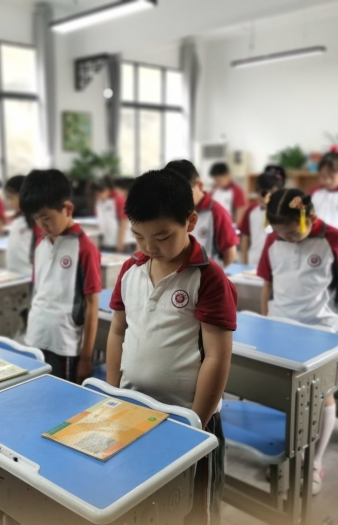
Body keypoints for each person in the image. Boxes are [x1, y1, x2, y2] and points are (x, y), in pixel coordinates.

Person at [107, 169, 237, 524]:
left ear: (190, 222)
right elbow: (117, 332)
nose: (149, 247)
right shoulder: (130, 270)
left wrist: (196, 423)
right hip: (133, 409)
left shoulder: (208, 278)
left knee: (194, 508)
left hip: (187, 416)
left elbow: (217, 357)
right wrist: (112, 393)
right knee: (143, 498)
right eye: (138, 236)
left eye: (162, 236)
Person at [257, 188, 338, 495]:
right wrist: (265, 322)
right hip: (281, 328)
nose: (286, 238)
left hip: (323, 332)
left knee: (322, 397)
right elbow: (267, 285)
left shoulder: (337, 240)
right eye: (280, 233)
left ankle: (314, 463)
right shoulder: (273, 241)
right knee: (282, 397)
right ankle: (287, 456)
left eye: (292, 232)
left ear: (310, 217)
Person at [20, 169, 101, 384]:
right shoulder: (41, 243)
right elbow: (38, 290)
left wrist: (86, 357)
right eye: (36, 219)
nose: (42, 225)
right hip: (36, 337)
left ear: (67, 209)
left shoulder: (84, 248)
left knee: (62, 400)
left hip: (64, 346)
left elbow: (92, 306)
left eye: (46, 218)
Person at [165, 160, 239, 267]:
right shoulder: (169, 211)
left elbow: (230, 253)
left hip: (206, 274)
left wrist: (216, 274)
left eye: (183, 194)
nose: (178, 200)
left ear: (199, 185)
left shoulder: (217, 213)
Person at [239, 165, 286, 266]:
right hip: (254, 261)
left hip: (277, 262)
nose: (262, 197)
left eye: (268, 193)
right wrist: (244, 262)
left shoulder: (283, 211)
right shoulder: (251, 210)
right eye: (259, 192)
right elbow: (245, 237)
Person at [4, 175, 35, 276]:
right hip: (15, 276)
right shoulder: (19, 220)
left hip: (30, 276)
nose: (10, 202)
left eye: (11, 198)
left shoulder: (38, 221)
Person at [91, 177, 128, 253]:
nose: (99, 196)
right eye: (97, 194)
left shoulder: (118, 199)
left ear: (107, 189)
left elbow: (123, 221)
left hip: (119, 242)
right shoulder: (98, 202)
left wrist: (120, 242)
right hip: (106, 242)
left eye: (101, 193)